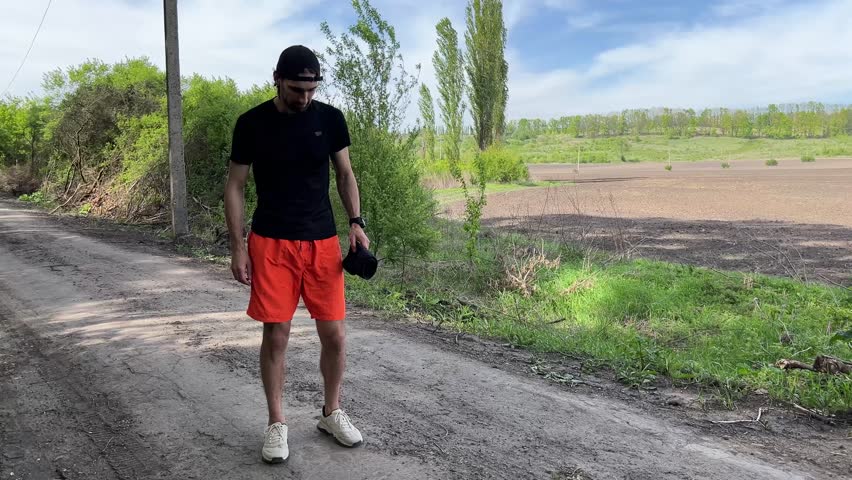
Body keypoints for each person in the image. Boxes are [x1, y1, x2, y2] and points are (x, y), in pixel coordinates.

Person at [224, 45, 369, 464]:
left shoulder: (329, 119)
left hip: (322, 242)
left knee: (335, 335)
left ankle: (331, 411)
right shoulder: (251, 123)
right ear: (277, 79)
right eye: (295, 89)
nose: (304, 98)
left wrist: (356, 222)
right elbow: (234, 185)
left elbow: (345, 174)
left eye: (310, 89)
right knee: (277, 335)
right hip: (270, 243)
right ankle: (276, 423)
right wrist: (237, 246)